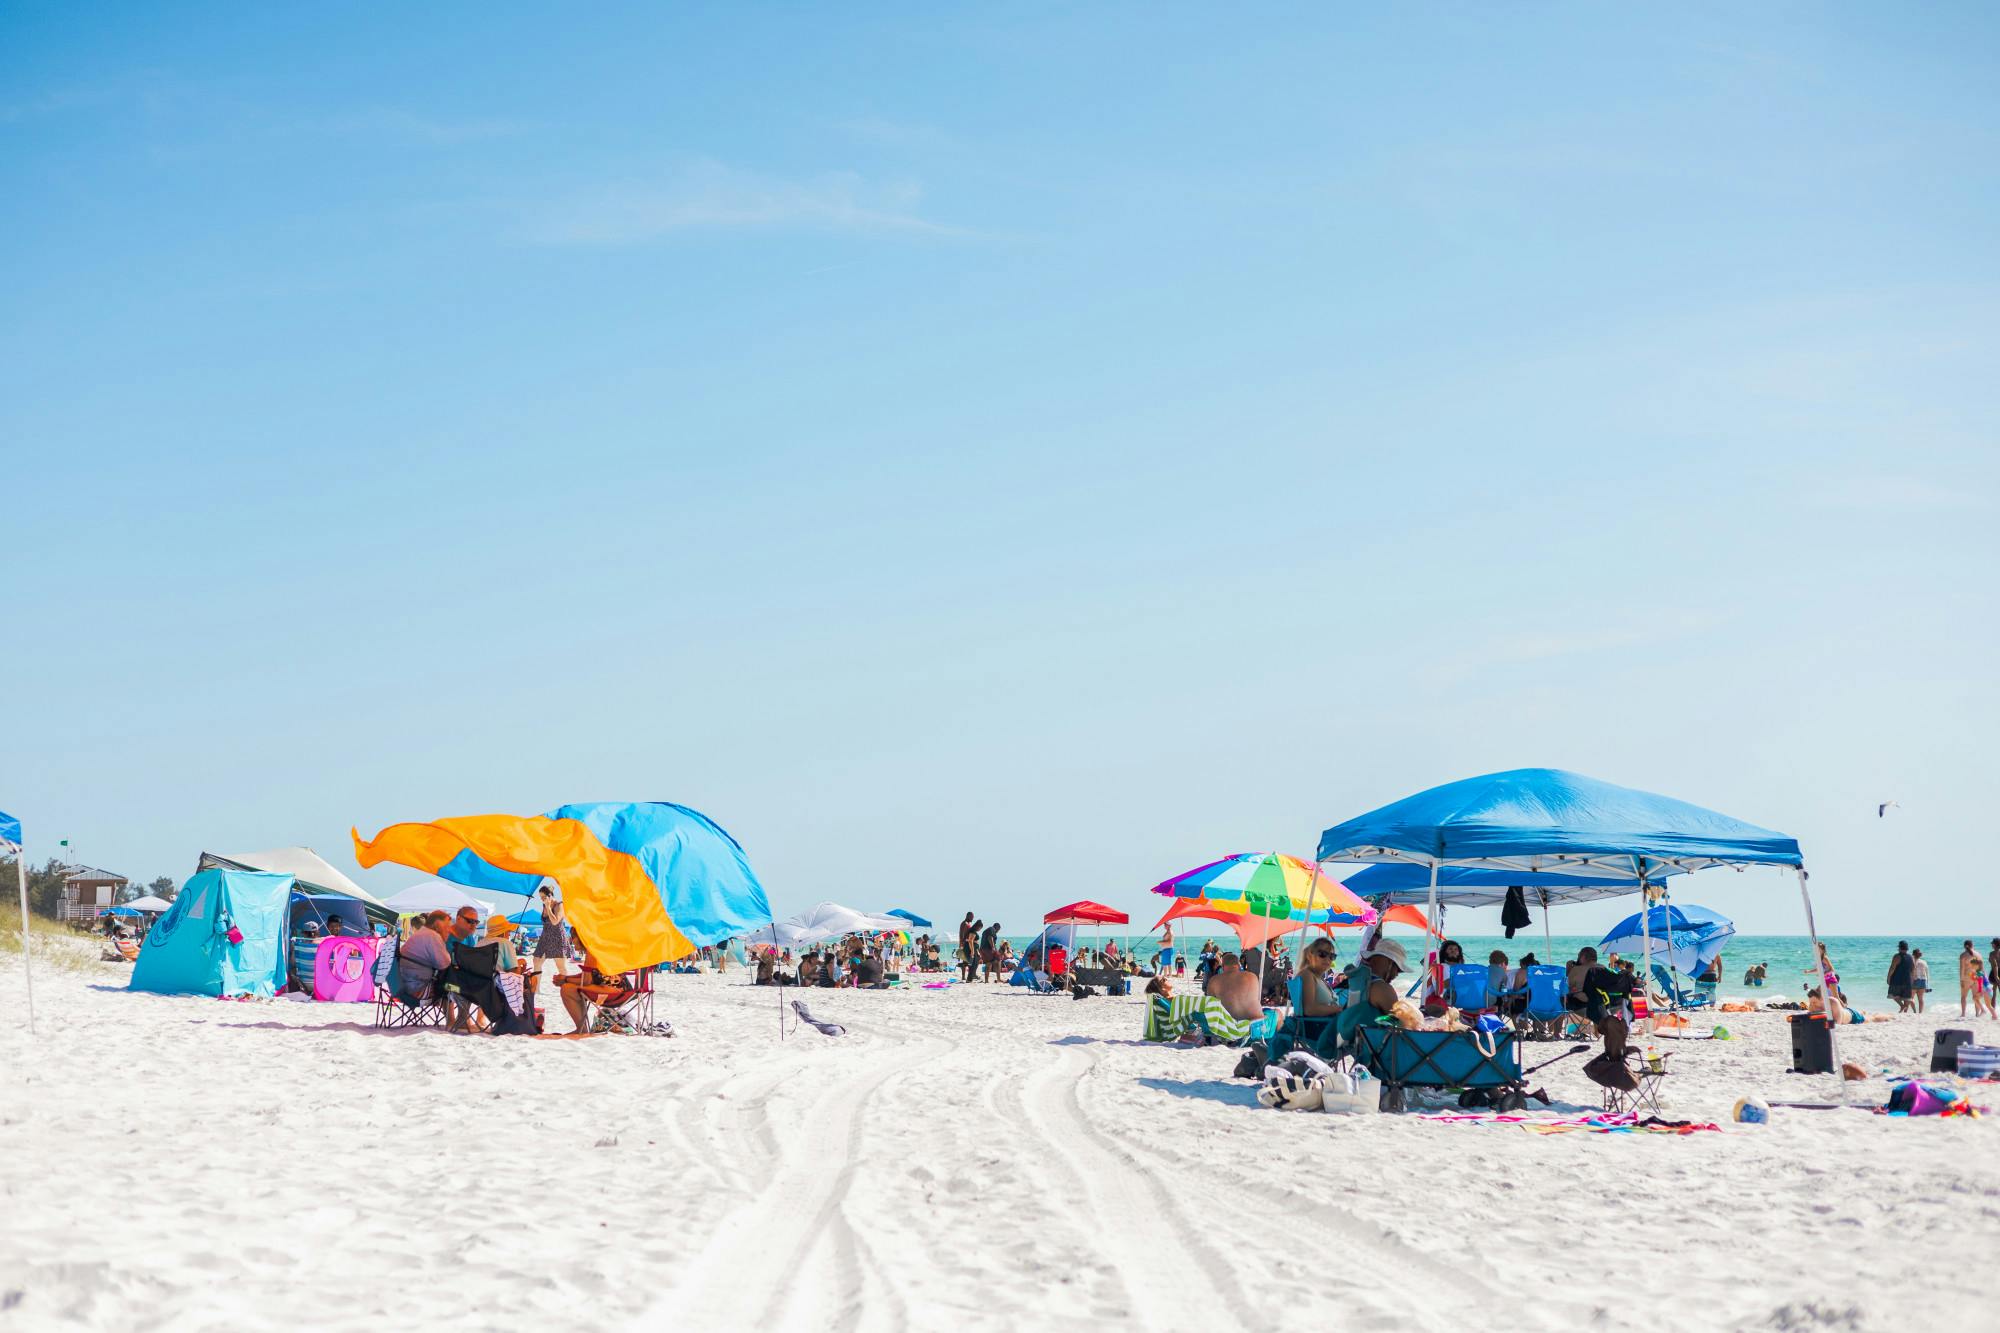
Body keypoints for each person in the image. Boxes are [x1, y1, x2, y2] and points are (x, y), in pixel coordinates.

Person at [1334, 938, 1407, 1046]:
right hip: (1382, 1050)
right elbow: (1402, 1024)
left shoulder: (1359, 982)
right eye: (1398, 969)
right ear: (1389, 963)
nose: (1397, 974)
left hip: (1359, 1044)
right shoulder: (1381, 988)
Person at [395, 911, 451, 1008]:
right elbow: (445, 964)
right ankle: (453, 1020)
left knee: (448, 984)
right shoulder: (433, 936)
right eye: (447, 926)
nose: (449, 930)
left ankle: (452, 1020)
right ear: (437, 924)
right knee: (455, 988)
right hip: (418, 992)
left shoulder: (419, 934)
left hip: (402, 988)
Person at [1204, 951, 1262, 1023]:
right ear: (1238, 964)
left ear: (1223, 966)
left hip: (1228, 1025)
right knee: (1278, 1013)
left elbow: (1210, 1006)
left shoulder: (1213, 981)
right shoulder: (1252, 976)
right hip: (1255, 1024)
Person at [532, 884, 573, 984]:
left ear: (550, 895)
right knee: (536, 961)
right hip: (545, 937)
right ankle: (535, 989)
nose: (542, 900)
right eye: (540, 898)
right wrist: (546, 906)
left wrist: (548, 908)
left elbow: (555, 922)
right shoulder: (544, 905)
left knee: (561, 967)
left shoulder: (559, 905)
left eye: (543, 897)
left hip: (557, 937)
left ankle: (566, 987)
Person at [1887, 942, 1915, 1013]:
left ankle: (1902, 1006)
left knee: (1893, 994)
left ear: (1899, 948)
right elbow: (1913, 969)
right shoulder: (1911, 957)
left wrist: (1888, 977)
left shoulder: (1897, 956)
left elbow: (1892, 968)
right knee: (1907, 998)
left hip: (1897, 979)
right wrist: (1912, 979)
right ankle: (1905, 1012)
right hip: (1907, 980)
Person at [1961, 941, 1981, 1017]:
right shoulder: (1978, 954)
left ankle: (1963, 1014)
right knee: (1976, 997)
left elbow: (1962, 968)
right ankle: (1977, 1014)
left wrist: (1961, 979)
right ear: (1972, 945)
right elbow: (1980, 968)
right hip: (1977, 977)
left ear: (1965, 946)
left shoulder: (1963, 955)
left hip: (1967, 977)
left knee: (1963, 996)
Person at [1912, 948, 1929, 1013]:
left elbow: (1912, 972)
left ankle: (1914, 1011)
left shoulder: (1912, 962)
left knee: (1911, 998)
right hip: (1923, 981)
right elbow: (1927, 973)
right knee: (1921, 999)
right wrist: (1927, 984)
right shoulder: (1924, 962)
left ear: (1913, 954)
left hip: (1915, 980)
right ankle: (1920, 1013)